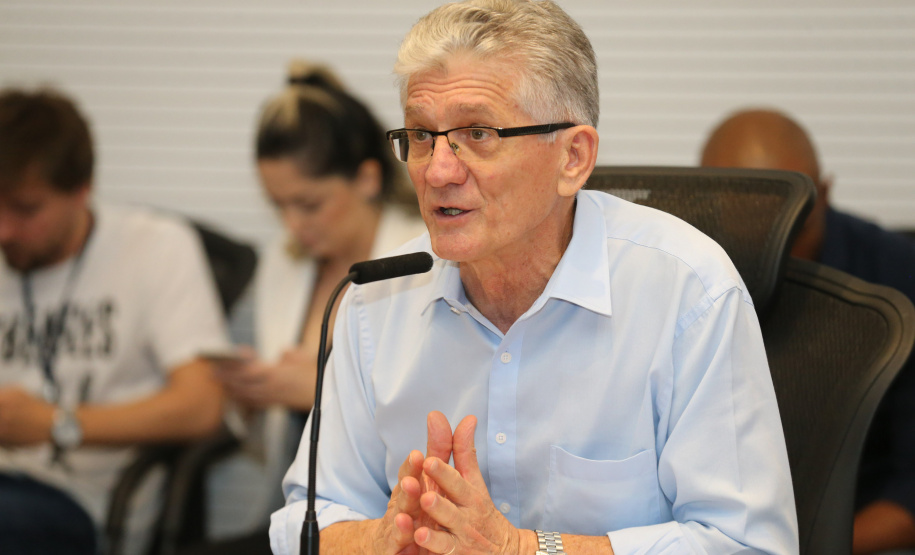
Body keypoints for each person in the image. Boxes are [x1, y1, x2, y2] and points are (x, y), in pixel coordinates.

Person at [270, 2, 798, 554]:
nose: (438, 171)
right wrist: (385, 538)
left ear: (573, 156)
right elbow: (305, 521)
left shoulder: (688, 293)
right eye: (422, 136)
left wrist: (523, 550)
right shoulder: (375, 300)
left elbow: (749, 545)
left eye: (478, 133)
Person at [198, 61, 426, 551]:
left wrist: (319, 391)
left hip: (388, 522)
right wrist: (252, 394)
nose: (292, 225)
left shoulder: (419, 261)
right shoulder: (284, 266)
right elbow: (276, 444)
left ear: (367, 178)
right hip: (297, 514)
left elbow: (442, 414)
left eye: (308, 204)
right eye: (278, 205)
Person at [0, 88, 229, 554]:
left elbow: (202, 406)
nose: (4, 229)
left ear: (81, 191)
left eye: (26, 209)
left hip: (76, 501)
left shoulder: (154, 247)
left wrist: (56, 423)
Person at [700, 108, 915, 555]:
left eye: (788, 225)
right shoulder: (677, 271)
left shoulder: (898, 280)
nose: (766, 250)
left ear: (826, 193)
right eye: (744, 226)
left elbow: (910, 491)